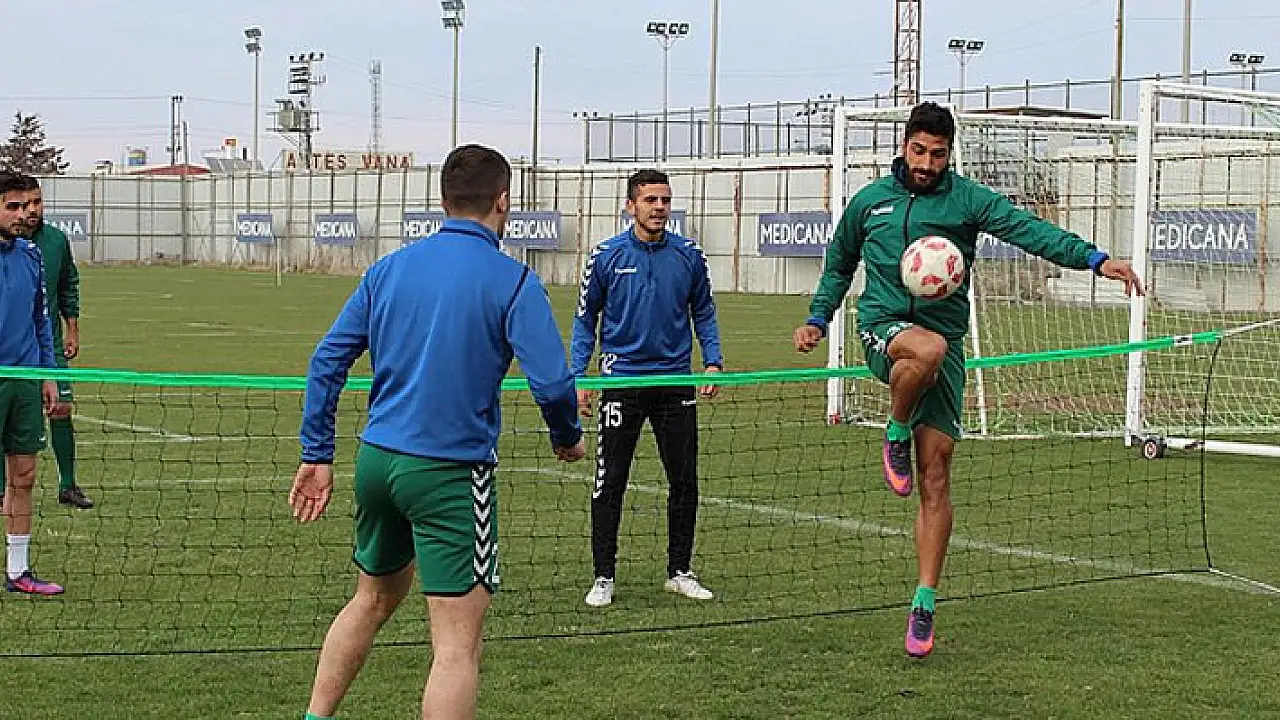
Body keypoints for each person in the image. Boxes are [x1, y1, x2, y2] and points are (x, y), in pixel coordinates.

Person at [793, 102, 1143, 659]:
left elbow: (1030, 231)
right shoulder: (869, 202)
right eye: (918, 151)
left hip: (944, 347)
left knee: (935, 478)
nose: (926, 163)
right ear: (904, 146)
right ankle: (895, 429)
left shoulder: (967, 200)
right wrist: (818, 318)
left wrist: (1095, 260)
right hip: (885, 330)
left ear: (949, 153)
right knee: (923, 350)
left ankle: (924, 601)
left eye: (937, 154)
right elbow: (839, 264)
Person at [290, 144, 585, 720]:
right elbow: (553, 384)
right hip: (450, 474)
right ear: (504, 201)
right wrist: (566, 436)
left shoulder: (389, 269)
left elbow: (326, 360)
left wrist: (317, 453)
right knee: (456, 647)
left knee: (370, 601)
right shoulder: (514, 281)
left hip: (378, 464)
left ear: (443, 200)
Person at [571, 169, 723, 608]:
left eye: (665, 200)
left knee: (684, 480)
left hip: (675, 382)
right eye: (650, 200)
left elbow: (704, 311)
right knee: (610, 482)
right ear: (630, 205)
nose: (659, 207)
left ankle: (680, 571)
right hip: (622, 382)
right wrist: (579, 376)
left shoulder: (689, 256)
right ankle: (603, 576)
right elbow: (585, 320)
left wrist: (712, 361)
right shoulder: (605, 256)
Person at [0, 175, 92, 509]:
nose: (30, 210)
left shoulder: (53, 241)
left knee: (61, 408)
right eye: (22, 204)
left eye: (36, 203)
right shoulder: (14, 244)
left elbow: (68, 284)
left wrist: (72, 329)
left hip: (47, 344)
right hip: (12, 354)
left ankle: (68, 484)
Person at [0, 173, 64, 596]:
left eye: (28, 206)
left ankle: (18, 570)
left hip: (24, 381)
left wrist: (48, 373)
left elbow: (42, 318)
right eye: (13, 207)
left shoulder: (31, 255)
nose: (24, 215)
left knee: (23, 476)